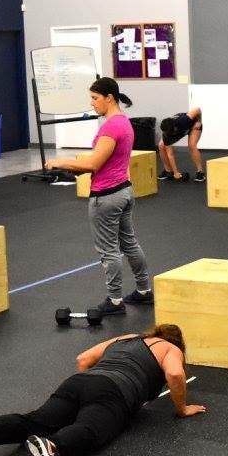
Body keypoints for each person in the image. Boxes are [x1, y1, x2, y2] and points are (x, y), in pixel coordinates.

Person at [0, 325, 203, 456]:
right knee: (91, 429)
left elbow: (83, 358)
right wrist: (182, 408)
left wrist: (88, 389)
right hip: (114, 392)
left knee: (34, 421)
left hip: (79, 382)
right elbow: (176, 376)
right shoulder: (171, 348)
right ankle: (53, 447)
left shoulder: (126, 338)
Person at [45, 77, 153, 319]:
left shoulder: (111, 127)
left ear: (109, 98)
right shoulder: (124, 122)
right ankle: (144, 291)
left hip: (107, 197)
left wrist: (59, 162)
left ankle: (115, 301)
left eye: (95, 98)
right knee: (129, 243)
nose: (92, 103)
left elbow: (93, 165)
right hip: (124, 191)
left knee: (108, 251)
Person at [157, 107, 204, 183]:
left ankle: (200, 172)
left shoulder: (184, 120)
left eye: (172, 131)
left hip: (193, 126)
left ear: (175, 127)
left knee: (192, 145)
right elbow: (170, 154)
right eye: (169, 132)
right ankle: (168, 171)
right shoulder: (167, 134)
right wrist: (176, 172)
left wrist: (199, 121)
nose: (170, 134)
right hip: (179, 131)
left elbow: (197, 110)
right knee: (161, 146)